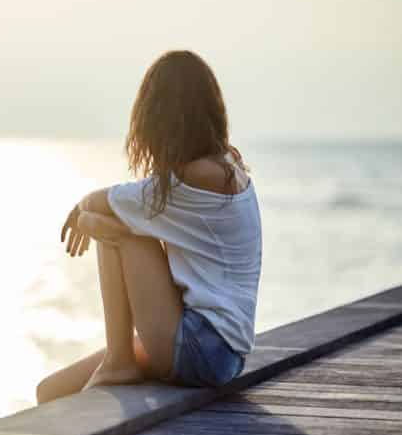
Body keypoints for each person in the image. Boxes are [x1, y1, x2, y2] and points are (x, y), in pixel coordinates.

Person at [36, 50, 262, 403]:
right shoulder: (228, 164)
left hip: (201, 349)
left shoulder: (195, 178)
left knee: (113, 224)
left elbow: (100, 202)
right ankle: (118, 358)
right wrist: (88, 216)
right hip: (217, 353)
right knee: (49, 391)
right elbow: (110, 205)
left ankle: (118, 359)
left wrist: (84, 217)